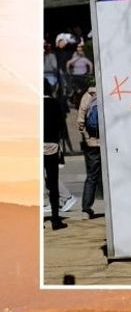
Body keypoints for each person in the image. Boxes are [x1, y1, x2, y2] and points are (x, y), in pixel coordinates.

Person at [43, 81, 68, 229]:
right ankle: (55, 219)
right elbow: (61, 126)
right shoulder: (55, 104)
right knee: (53, 184)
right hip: (52, 146)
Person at [77, 86, 103, 218]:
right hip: (109, 143)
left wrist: (87, 137)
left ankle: (86, 208)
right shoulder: (109, 90)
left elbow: (80, 121)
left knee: (92, 176)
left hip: (92, 143)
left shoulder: (88, 95)